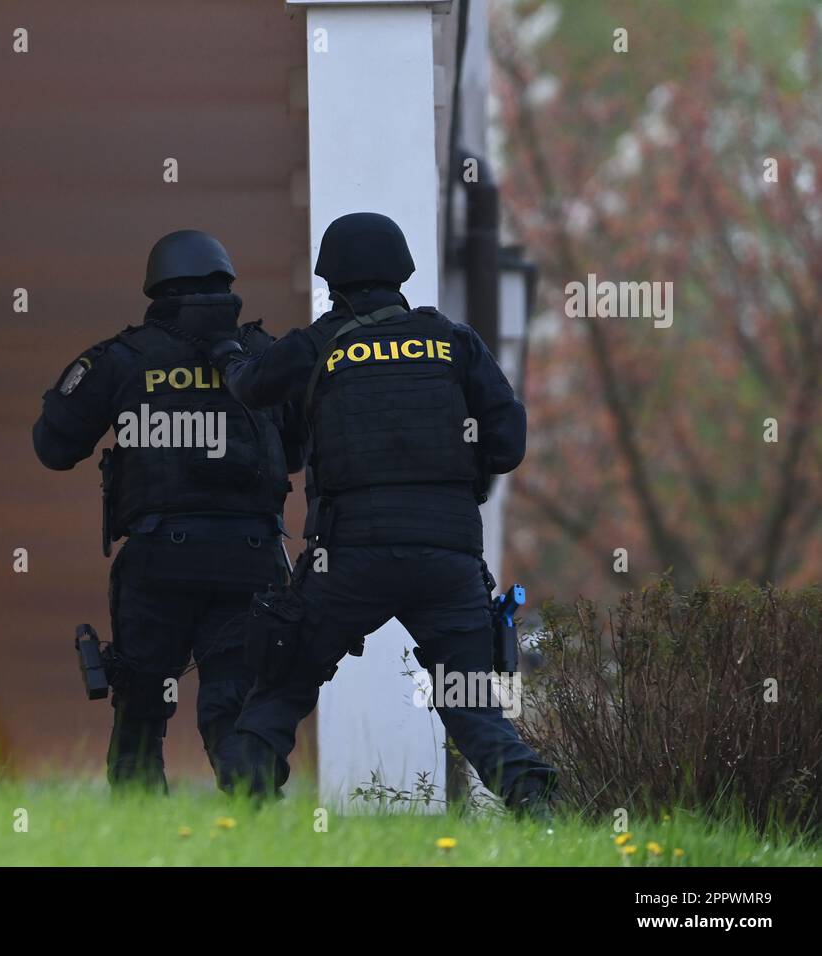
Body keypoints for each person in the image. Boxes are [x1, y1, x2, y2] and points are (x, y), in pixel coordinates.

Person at [205, 212, 559, 815]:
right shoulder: (454, 342)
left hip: (346, 558)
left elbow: (251, 388)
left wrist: (228, 353)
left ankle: (245, 813)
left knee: (283, 686)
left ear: (331, 279)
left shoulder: (316, 344)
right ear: (401, 272)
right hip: (446, 557)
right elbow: (507, 445)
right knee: (470, 704)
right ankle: (536, 806)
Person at [32, 229, 304, 791]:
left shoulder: (123, 358)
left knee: (142, 706)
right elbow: (298, 451)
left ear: (155, 288)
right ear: (227, 285)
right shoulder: (264, 356)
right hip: (252, 560)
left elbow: (54, 448)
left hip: (159, 560)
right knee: (234, 706)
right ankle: (256, 830)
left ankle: (141, 840)